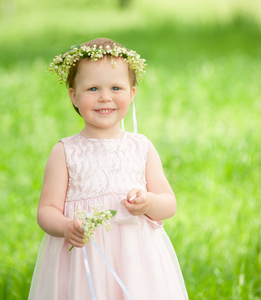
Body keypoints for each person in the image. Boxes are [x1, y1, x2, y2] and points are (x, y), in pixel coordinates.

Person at [29, 38, 188, 300]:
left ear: (132, 93)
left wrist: (148, 203)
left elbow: (169, 204)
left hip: (136, 262)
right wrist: (66, 226)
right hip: (83, 262)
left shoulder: (141, 147)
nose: (105, 97)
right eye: (92, 89)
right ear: (74, 96)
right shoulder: (65, 152)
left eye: (116, 87)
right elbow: (46, 211)